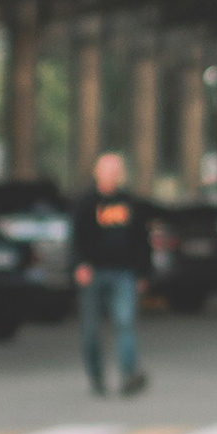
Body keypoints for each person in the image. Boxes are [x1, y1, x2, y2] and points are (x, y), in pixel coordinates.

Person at [70, 150, 152, 398]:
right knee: (90, 329)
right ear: (97, 173)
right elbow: (76, 239)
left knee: (125, 322)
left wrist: (143, 273)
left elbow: (141, 240)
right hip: (93, 273)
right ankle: (95, 375)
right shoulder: (85, 204)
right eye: (106, 171)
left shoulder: (130, 204)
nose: (111, 176)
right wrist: (80, 264)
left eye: (115, 171)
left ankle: (129, 374)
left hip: (124, 273)